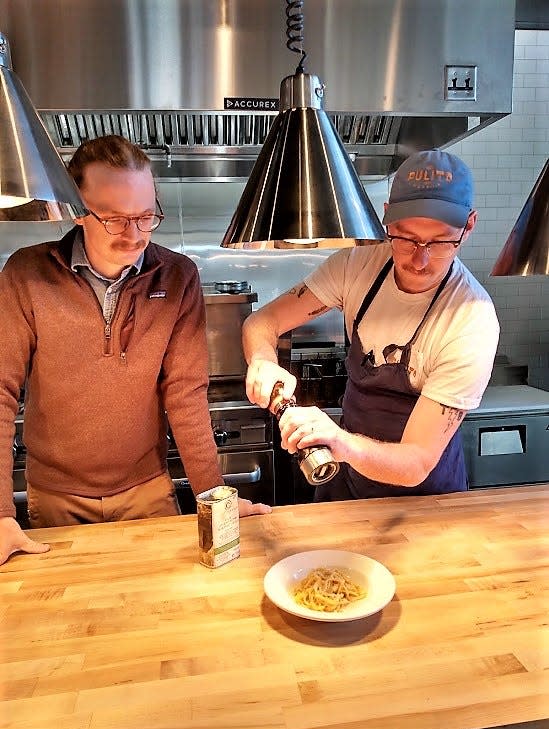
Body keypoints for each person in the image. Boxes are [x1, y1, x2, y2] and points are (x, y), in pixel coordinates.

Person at [0, 135, 270, 565]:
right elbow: (1, 391)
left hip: (146, 490)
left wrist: (216, 498)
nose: (134, 235)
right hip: (56, 497)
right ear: (79, 213)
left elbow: (184, 394)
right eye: (114, 219)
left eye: (145, 217)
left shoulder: (177, 276)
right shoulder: (26, 274)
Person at [243, 149, 500, 501]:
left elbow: (417, 461)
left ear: (468, 225)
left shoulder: (472, 321)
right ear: (387, 220)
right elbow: (263, 321)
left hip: (424, 499)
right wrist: (263, 361)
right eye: (406, 237)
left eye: (440, 241)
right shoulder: (356, 265)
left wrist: (341, 442)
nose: (420, 260)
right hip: (344, 481)